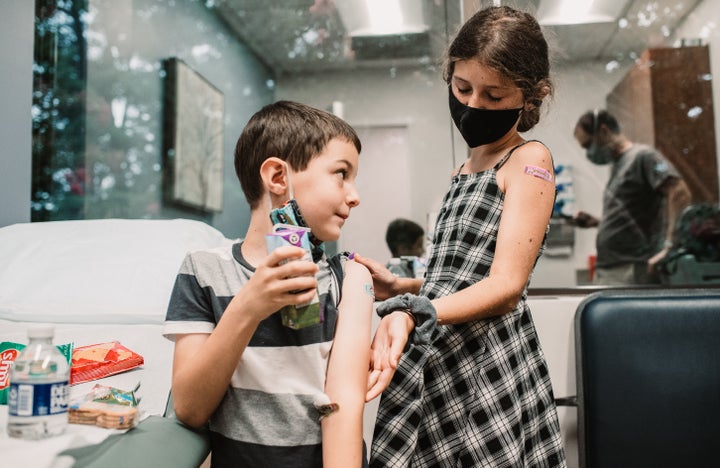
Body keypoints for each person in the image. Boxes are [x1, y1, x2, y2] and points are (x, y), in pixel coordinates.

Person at [356, 6, 567, 467]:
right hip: (442, 352)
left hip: (487, 366)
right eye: (462, 88)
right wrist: (409, 288)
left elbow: (506, 286)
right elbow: (462, 273)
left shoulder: (529, 161)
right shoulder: (461, 171)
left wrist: (415, 310)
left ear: (531, 97)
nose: (473, 106)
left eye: (493, 96)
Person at [163, 100, 375, 468]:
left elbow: (343, 405)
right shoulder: (202, 271)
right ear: (278, 177)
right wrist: (249, 305)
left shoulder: (352, 279)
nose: (355, 196)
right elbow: (190, 409)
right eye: (342, 174)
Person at [570, 109, 692, 285]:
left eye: (589, 145)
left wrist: (670, 245)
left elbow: (679, 192)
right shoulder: (618, 165)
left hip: (633, 267)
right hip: (612, 266)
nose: (589, 153)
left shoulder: (643, 157)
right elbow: (632, 215)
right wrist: (597, 222)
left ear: (603, 131)